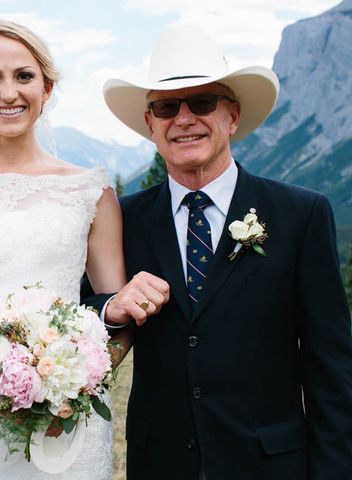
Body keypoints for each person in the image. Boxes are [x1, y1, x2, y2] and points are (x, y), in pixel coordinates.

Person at [0, 19, 168, 480]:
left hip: (68, 426)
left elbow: (115, 318)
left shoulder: (90, 189)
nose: (8, 92)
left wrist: (68, 389)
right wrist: (0, 394)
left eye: (24, 76)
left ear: (47, 87)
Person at [87, 23, 352, 479]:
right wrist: (112, 307)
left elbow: (331, 368)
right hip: (161, 464)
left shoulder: (300, 214)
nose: (184, 118)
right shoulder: (120, 219)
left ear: (232, 115)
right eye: (167, 106)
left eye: (202, 102)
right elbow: (74, 314)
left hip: (272, 467)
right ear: (150, 124)